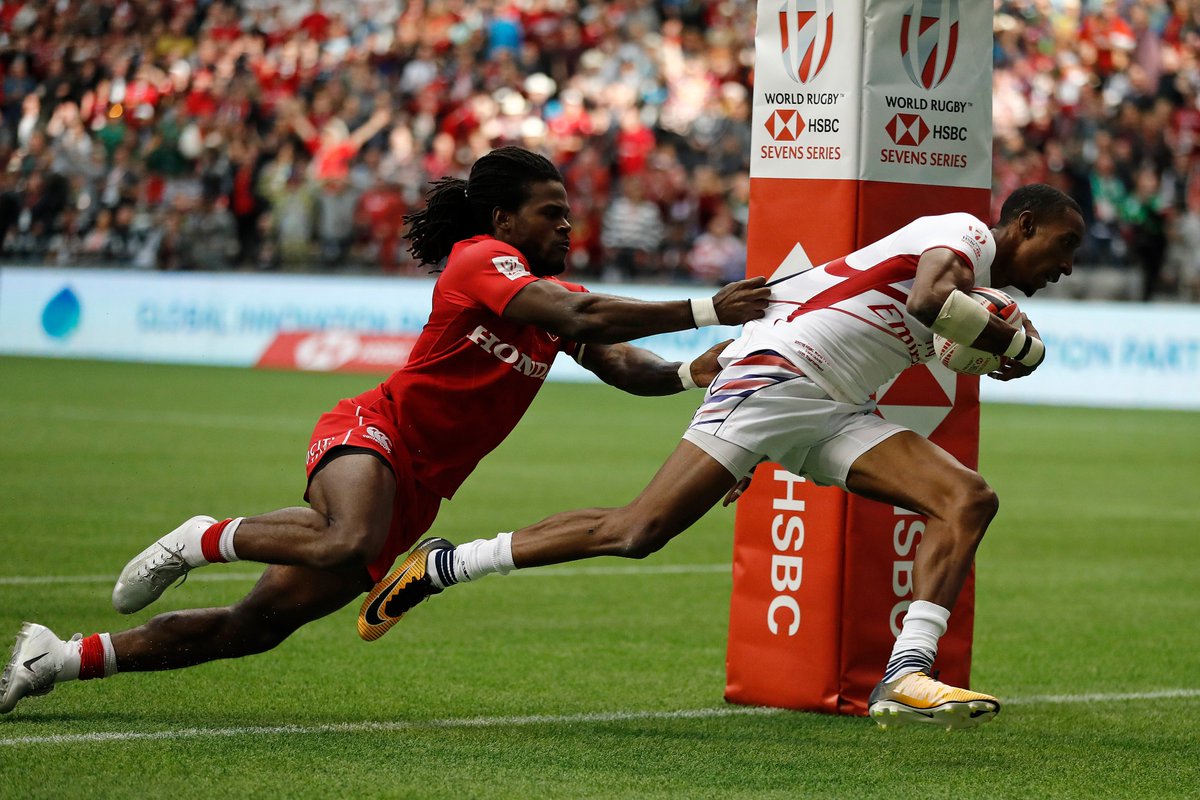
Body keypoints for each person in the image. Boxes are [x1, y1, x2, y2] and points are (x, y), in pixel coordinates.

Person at [0, 146, 770, 714]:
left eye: (570, 213)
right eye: (552, 213)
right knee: (347, 541)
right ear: (505, 219)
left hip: (421, 493)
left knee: (253, 627)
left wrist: (683, 373)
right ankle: (202, 537)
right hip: (374, 432)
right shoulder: (481, 259)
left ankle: (59, 658)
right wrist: (705, 307)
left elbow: (618, 361)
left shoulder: (549, 295)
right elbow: (580, 315)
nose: (568, 224)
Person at [356, 183, 1085, 730]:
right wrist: (1016, 344)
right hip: (779, 374)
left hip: (831, 405)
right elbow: (929, 303)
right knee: (638, 532)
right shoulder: (960, 232)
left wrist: (993, 342)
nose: (1067, 267)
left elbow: (936, 328)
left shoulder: (976, 283)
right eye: (1064, 247)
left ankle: (907, 672)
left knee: (967, 499)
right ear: (1023, 224)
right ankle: (445, 563)